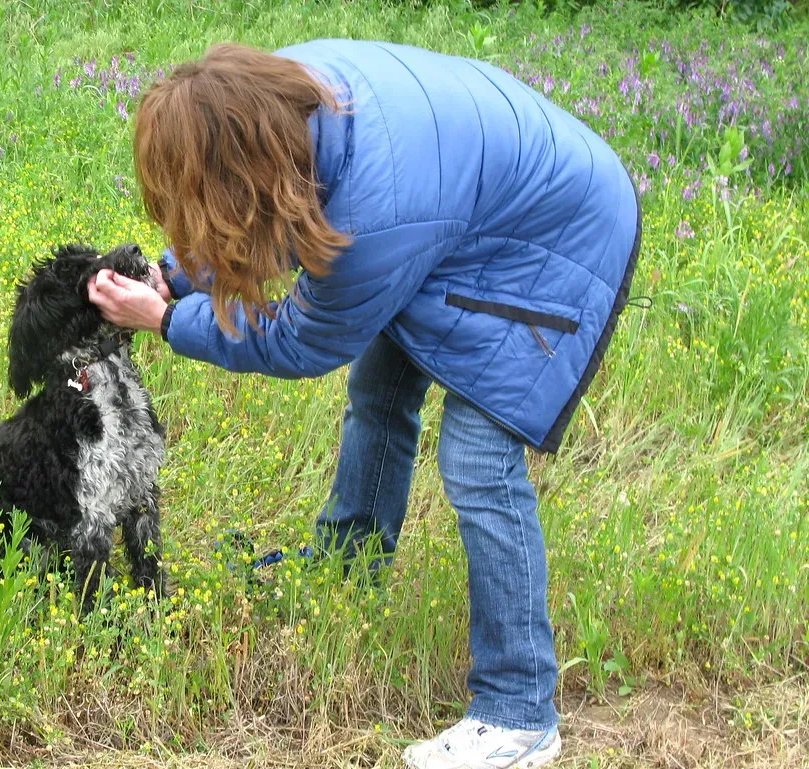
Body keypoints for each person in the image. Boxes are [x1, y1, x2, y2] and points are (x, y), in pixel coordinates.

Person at [88, 40, 641, 769]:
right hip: (469, 209)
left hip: (558, 243)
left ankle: (519, 712)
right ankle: (348, 567)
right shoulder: (279, 104)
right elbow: (252, 205)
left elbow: (298, 341)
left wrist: (164, 319)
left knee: (478, 461)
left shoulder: (372, 216)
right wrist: (172, 275)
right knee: (382, 388)